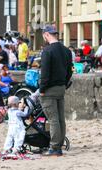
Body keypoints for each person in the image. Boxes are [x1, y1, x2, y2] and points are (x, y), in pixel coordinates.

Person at [39, 25, 73, 157]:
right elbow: (69, 71)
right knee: (60, 118)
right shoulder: (66, 50)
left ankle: (54, 147)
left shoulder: (47, 51)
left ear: (46, 34)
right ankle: (59, 144)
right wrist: (64, 84)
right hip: (61, 88)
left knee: (53, 119)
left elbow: (45, 73)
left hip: (49, 89)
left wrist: (42, 89)